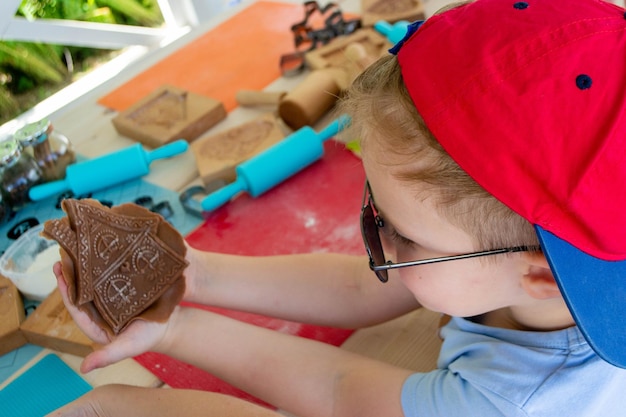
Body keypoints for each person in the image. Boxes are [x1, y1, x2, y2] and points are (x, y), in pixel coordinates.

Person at [47, 0, 626, 415]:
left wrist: (161, 352)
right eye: (376, 202)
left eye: (398, 232)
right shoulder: (519, 263)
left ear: (541, 273)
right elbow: (364, 287)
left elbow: (337, 392)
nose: (374, 239)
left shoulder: (514, 403)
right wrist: (195, 275)